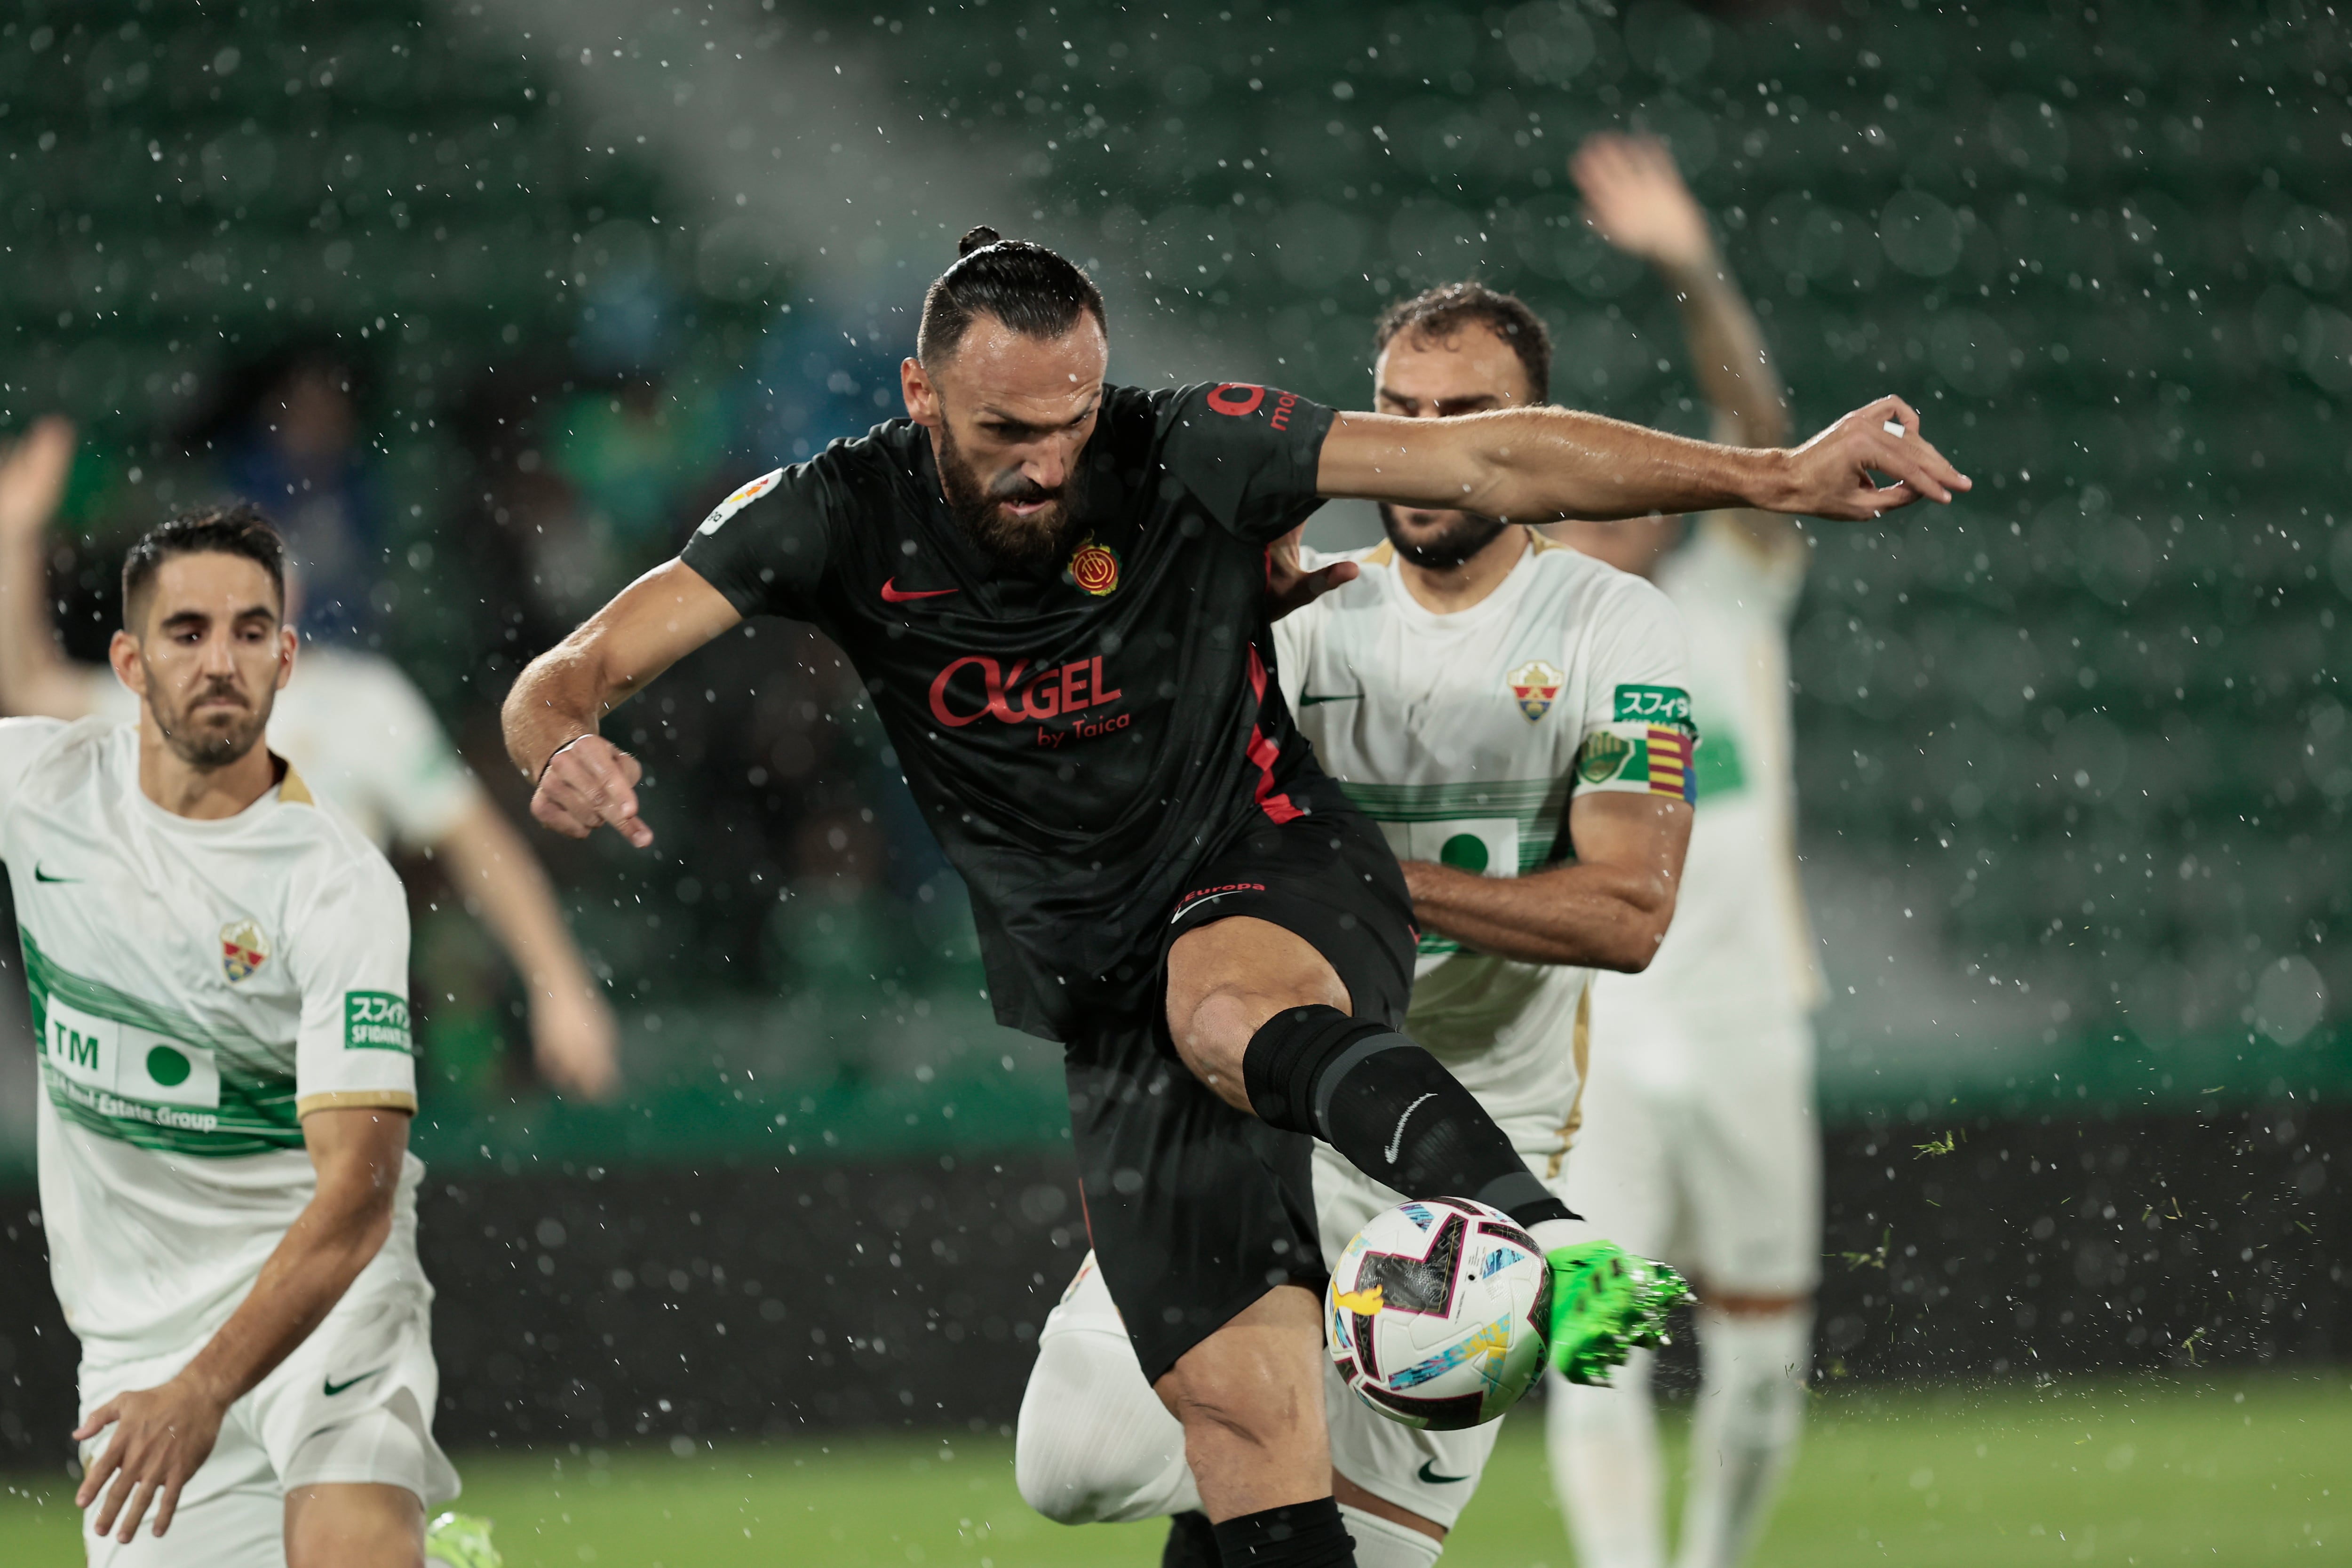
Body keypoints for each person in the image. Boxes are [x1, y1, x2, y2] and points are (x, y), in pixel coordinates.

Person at [502, 227, 1964, 1568]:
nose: (1047, 465)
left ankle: (1537, 1232)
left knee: (1226, 1008)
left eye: (1073, 422)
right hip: (1117, 1010)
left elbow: (1504, 471)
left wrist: (1770, 477)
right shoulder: (829, 513)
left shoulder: (1194, 446)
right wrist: (558, 741)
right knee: (1125, 1463)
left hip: (1268, 882)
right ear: (920, 394)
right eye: (1008, 431)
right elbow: (564, 674)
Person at [1013, 280, 1702, 1568]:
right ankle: (1284, 1420)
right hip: (1258, 1129)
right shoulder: (1296, 615)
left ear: (1529, 428)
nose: (1429, 443)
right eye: (1402, 412)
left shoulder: (1623, 628)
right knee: (1076, 1462)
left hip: (1467, 1164)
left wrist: (1342, 870)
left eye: (1467, 415)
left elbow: (1627, 910)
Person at [0, 505, 482, 1566]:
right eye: (187, 632)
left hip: (326, 1294)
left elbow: (356, 1199)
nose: (221, 660)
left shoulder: (337, 883)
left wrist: (209, 1387)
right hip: (136, 1342)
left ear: (287, 654)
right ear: (128, 661)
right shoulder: (39, 788)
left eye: (251, 631)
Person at [0, 417, 620, 1102]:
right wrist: (15, 537)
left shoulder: (364, 702)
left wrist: (561, 986)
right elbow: (30, 685)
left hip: (333, 1037)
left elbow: (481, 846)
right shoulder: (160, 701)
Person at [1542, 133, 1827, 1568]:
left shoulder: (1734, 590)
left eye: (1651, 473)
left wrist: (1690, 267)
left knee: (1767, 1370)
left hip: (1747, 1023)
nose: (1633, 496)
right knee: (1590, 1347)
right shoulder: (1526, 652)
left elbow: (1760, 420)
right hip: (1596, 1044)